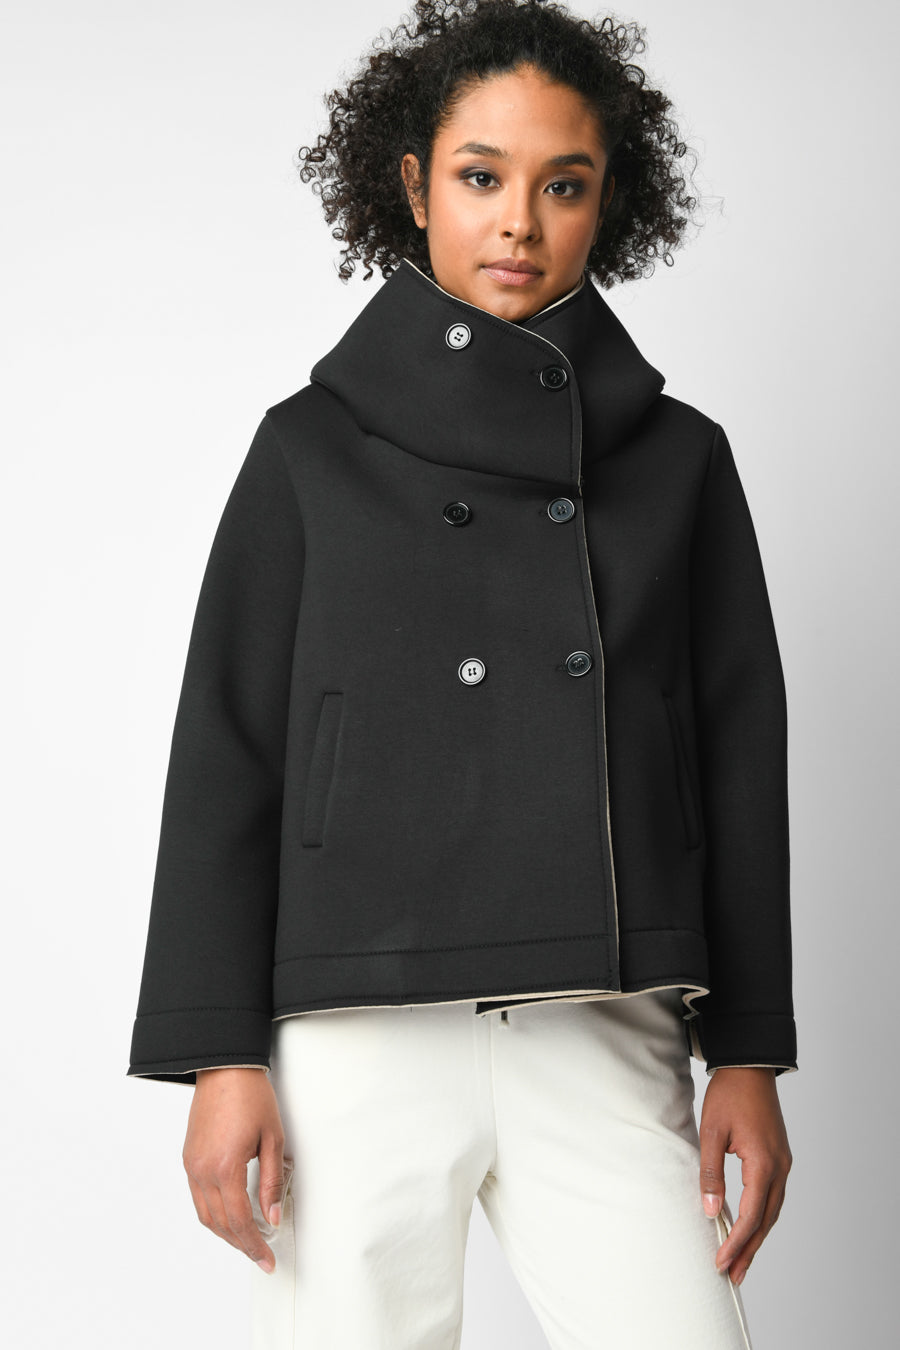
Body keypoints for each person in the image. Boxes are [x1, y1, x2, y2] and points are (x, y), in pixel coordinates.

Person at [128, 2, 796, 1345]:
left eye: (565, 185)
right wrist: (220, 1053)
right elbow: (227, 752)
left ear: (611, 202)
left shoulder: (681, 461)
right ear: (413, 183)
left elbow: (736, 757)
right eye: (482, 176)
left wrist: (750, 1051)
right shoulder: (308, 450)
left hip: (602, 1015)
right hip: (355, 1030)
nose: (519, 223)